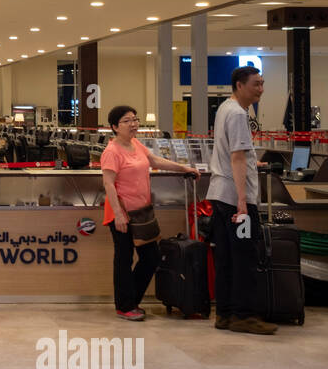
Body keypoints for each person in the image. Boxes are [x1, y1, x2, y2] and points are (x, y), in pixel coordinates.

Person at [100, 105, 198, 321]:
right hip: (122, 213)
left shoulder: (135, 144)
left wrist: (184, 168)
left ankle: (131, 300)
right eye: (127, 121)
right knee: (124, 259)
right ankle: (124, 306)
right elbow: (108, 184)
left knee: (151, 257)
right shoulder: (111, 152)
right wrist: (118, 214)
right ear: (115, 127)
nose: (133, 124)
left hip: (142, 212)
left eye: (135, 119)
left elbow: (155, 161)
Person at [207, 66, 277, 334]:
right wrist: (242, 202)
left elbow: (236, 154)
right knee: (245, 258)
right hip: (236, 200)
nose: (260, 89)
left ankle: (224, 314)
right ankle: (244, 315)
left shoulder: (226, 108)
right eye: (255, 84)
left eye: (262, 83)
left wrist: (250, 161)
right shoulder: (238, 114)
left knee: (225, 257)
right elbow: (236, 157)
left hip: (219, 195)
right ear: (239, 85)